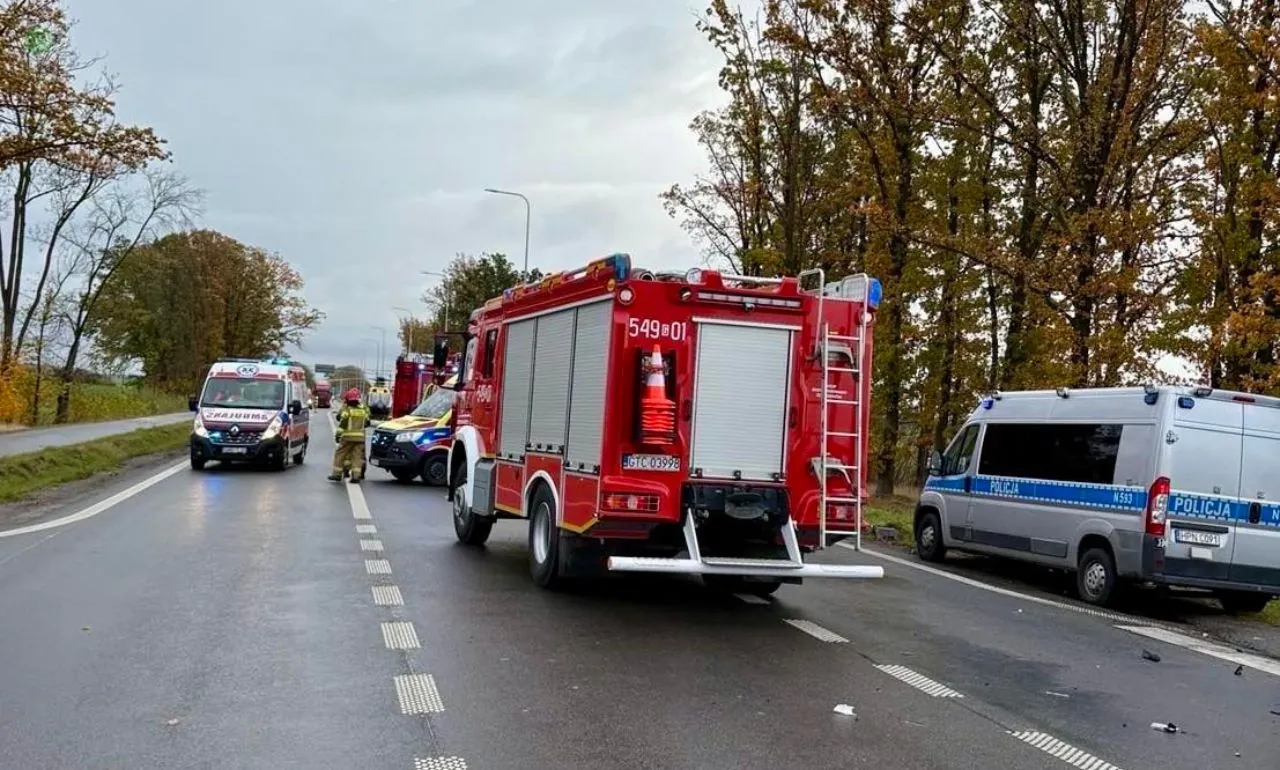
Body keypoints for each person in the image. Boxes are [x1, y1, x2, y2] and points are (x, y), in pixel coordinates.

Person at [329, 387, 369, 483]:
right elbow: (368, 422)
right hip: (360, 439)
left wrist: (339, 434)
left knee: (340, 454)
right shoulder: (363, 411)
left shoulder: (347, 411)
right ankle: (356, 476)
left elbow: (341, 421)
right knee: (357, 457)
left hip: (348, 438)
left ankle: (337, 474)